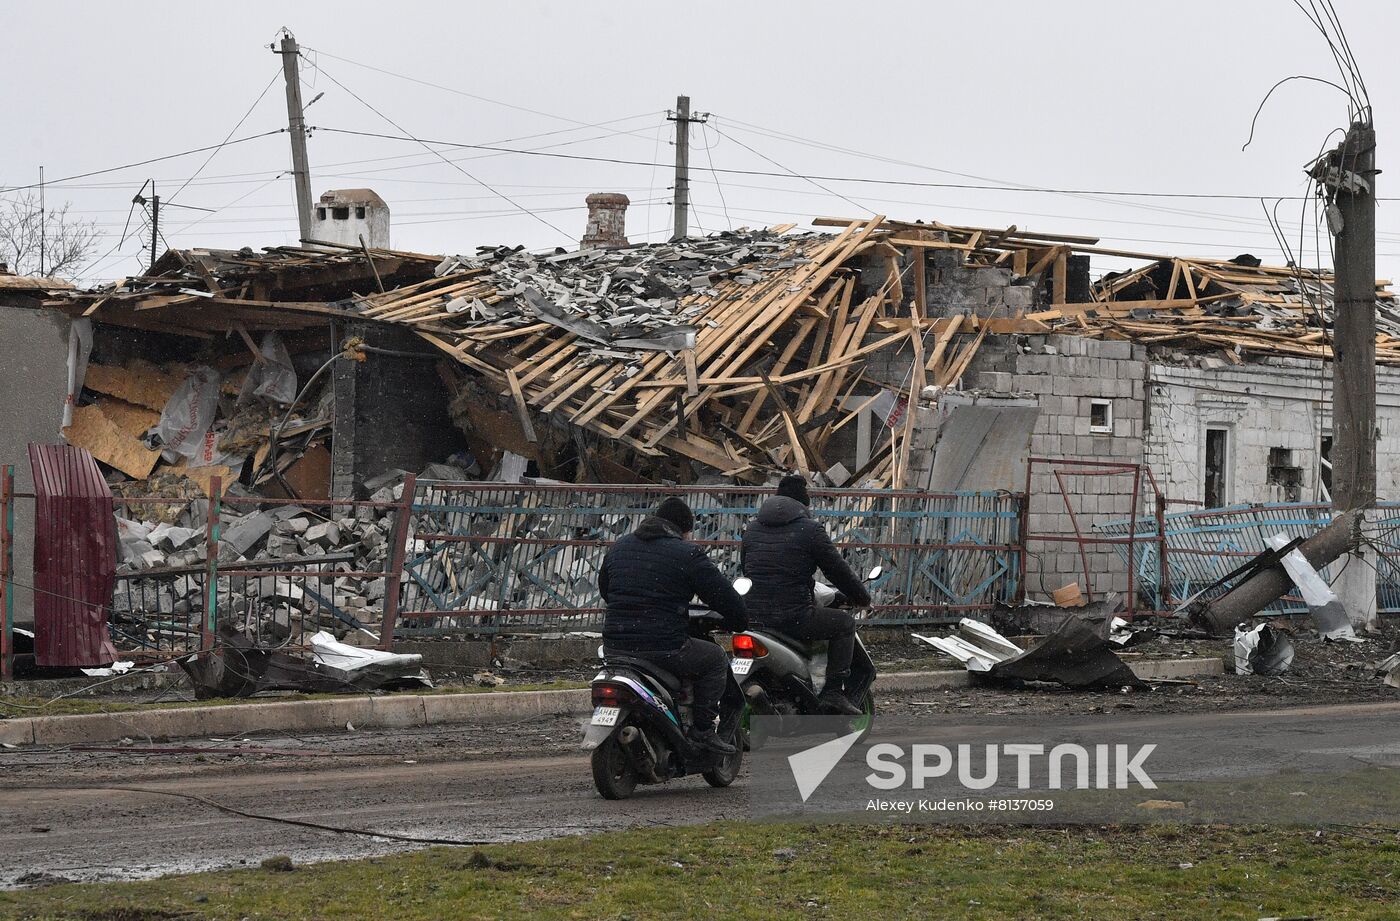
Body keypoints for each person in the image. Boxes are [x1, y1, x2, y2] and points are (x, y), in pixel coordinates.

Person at [599, 497, 748, 754]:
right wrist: (737, 621)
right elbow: (724, 597)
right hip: (663, 647)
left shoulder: (620, 547)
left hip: (615, 647)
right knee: (714, 658)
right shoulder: (687, 554)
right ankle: (702, 730)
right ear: (684, 530)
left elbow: (606, 591)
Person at [741, 474, 871, 716]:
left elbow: (746, 568)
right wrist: (861, 597)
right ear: (804, 504)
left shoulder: (752, 529)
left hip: (754, 616)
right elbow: (837, 570)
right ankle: (833, 692)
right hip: (793, 616)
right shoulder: (809, 530)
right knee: (844, 624)